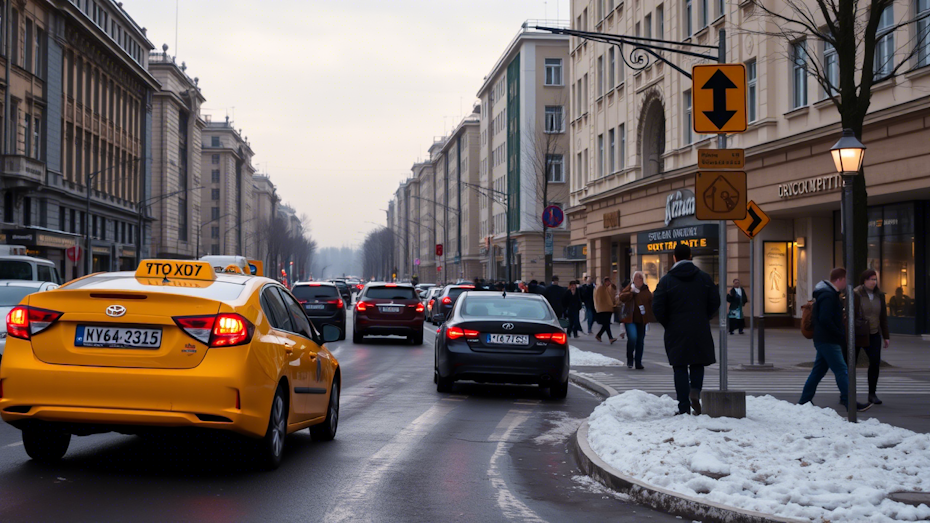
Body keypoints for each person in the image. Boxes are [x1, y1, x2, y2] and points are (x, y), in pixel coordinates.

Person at [652, 244, 719, 416]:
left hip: (676, 329)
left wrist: (669, 323)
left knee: (679, 367)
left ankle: (683, 407)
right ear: (690, 256)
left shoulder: (667, 280)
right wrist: (705, 317)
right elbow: (715, 300)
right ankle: (695, 390)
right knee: (697, 363)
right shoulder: (704, 278)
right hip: (699, 327)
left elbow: (657, 307)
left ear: (674, 257)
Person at [798, 268, 871, 412]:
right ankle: (849, 401)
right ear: (839, 279)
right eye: (845, 280)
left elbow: (825, 318)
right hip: (828, 340)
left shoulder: (827, 294)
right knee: (841, 370)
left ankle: (804, 400)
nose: (846, 283)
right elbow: (825, 319)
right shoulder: (828, 295)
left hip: (824, 339)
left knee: (818, 371)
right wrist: (839, 334)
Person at [854, 270, 890, 406]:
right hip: (858, 333)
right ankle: (846, 394)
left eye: (875, 279)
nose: (873, 282)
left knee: (875, 362)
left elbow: (883, 317)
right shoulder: (856, 294)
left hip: (874, 333)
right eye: (870, 279)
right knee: (850, 364)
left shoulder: (879, 295)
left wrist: (886, 336)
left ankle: (872, 394)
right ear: (864, 280)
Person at [619, 271, 655, 370]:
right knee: (633, 338)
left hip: (642, 319)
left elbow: (650, 303)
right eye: (637, 278)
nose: (639, 280)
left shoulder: (645, 290)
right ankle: (630, 359)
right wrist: (631, 293)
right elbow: (621, 297)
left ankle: (638, 362)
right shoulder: (630, 288)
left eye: (640, 278)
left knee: (640, 341)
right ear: (633, 279)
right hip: (630, 319)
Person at [594, 277, 619, 343]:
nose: (609, 283)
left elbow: (612, 296)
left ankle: (599, 335)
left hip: (608, 308)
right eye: (607, 281)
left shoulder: (608, 288)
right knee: (606, 323)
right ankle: (609, 338)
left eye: (609, 281)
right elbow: (600, 299)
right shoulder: (601, 288)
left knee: (606, 324)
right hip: (603, 309)